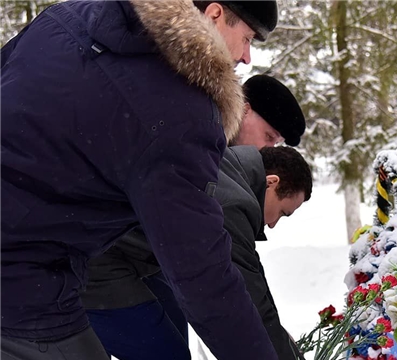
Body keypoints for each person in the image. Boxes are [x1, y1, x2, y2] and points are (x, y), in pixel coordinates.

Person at [1, 1, 281, 359]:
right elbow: (202, 276)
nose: (245, 57)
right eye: (246, 38)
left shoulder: (69, 14)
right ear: (213, 14)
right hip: (22, 279)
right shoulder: (182, 114)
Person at [82, 74, 308, 360]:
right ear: (245, 109)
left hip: (130, 255)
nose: (268, 150)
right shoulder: (203, 136)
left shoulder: (229, 165)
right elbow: (229, 289)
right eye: (269, 137)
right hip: (97, 255)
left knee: (168, 334)